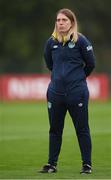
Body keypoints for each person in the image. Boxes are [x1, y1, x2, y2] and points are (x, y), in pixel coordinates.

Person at [39, 8, 95, 174]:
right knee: (55, 130)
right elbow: (50, 64)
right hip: (55, 93)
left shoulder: (81, 41)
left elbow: (91, 64)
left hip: (76, 92)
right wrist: (59, 80)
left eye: (64, 20)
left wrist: (77, 79)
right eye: (58, 20)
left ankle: (87, 165)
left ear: (72, 22)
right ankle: (51, 164)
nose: (61, 23)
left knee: (82, 129)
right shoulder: (51, 42)